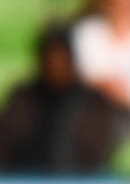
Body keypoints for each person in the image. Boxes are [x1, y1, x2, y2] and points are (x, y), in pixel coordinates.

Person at [0, 26, 123, 174]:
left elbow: (97, 155)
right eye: (50, 58)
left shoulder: (92, 102)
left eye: (61, 58)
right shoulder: (23, 99)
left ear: (71, 59)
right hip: (25, 183)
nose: (56, 65)